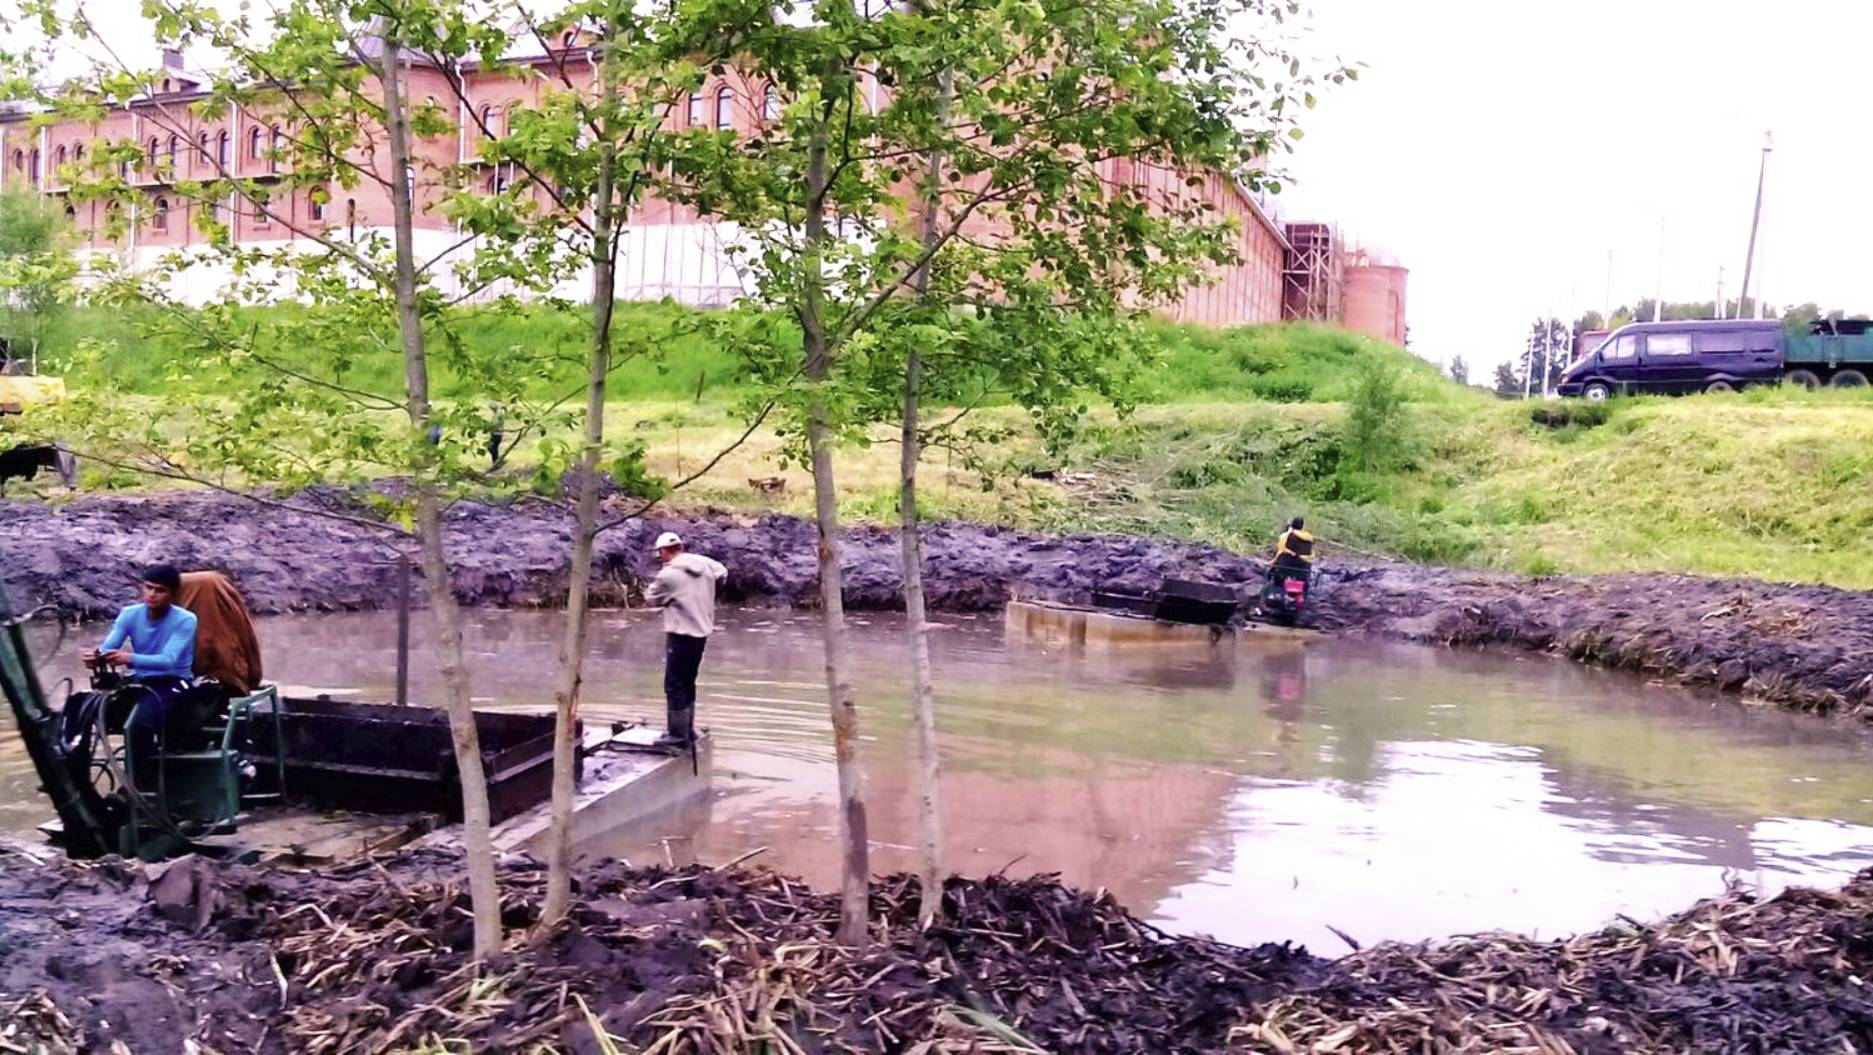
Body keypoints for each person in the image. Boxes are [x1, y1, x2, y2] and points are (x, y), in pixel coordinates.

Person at [83, 563, 199, 786]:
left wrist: (129, 658)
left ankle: (142, 789)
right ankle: (78, 781)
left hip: (173, 681)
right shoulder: (129, 614)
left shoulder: (186, 620)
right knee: (84, 712)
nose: (152, 595)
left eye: (160, 590)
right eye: (148, 587)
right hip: (141, 680)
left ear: (173, 595)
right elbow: (109, 648)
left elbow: (168, 661)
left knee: (139, 725)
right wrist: (95, 657)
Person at [643, 531, 726, 747]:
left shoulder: (668, 576)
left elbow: (650, 599)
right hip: (701, 633)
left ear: (663, 551)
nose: (659, 557)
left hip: (680, 635)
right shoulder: (705, 563)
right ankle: (688, 730)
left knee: (674, 684)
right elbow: (722, 573)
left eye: (659, 553)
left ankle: (677, 734)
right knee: (689, 681)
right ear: (680, 547)